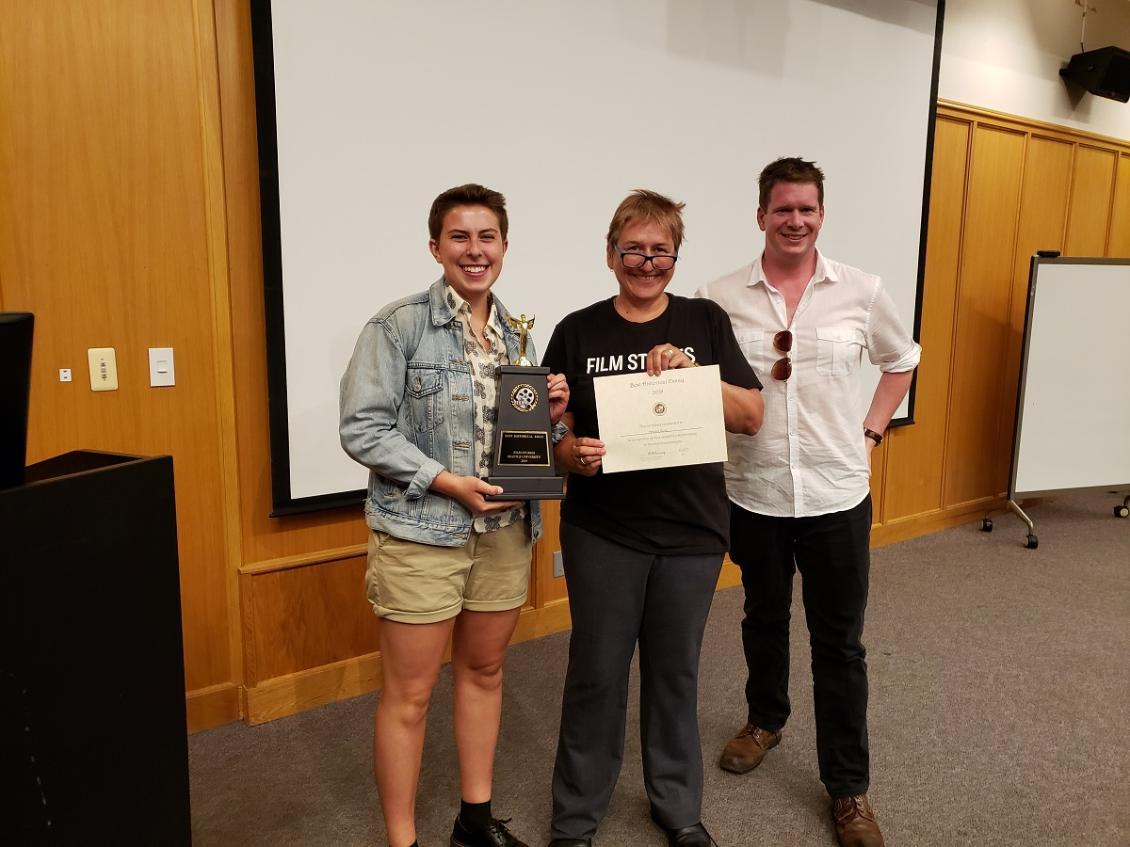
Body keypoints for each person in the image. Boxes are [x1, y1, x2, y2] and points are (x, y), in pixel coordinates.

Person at [696, 158, 921, 847]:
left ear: (821, 215)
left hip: (835, 491)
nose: (795, 220)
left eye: (808, 210)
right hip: (753, 491)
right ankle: (766, 718)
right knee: (762, 617)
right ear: (760, 214)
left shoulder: (861, 289)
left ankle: (849, 789)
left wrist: (873, 429)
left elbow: (902, 358)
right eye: (783, 209)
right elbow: (703, 383)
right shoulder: (718, 296)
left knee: (839, 644)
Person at [340, 184, 570, 847]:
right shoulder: (399, 325)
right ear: (436, 246)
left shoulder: (518, 336)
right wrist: (445, 481)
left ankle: (474, 820)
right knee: (409, 696)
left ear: (504, 245)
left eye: (488, 236)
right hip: (422, 534)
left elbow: (523, 444)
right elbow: (362, 428)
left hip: (501, 534)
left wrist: (550, 420)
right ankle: (403, 840)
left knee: (485, 672)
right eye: (461, 237)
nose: (476, 250)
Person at [541, 190, 764, 847]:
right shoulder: (577, 329)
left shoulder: (704, 320)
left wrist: (694, 372)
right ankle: (576, 817)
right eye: (632, 248)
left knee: (675, 674)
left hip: (691, 533)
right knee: (596, 673)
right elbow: (550, 432)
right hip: (602, 530)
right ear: (610, 253)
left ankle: (676, 806)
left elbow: (751, 415)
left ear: (675, 255)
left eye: (659, 250)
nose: (645, 261)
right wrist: (568, 454)